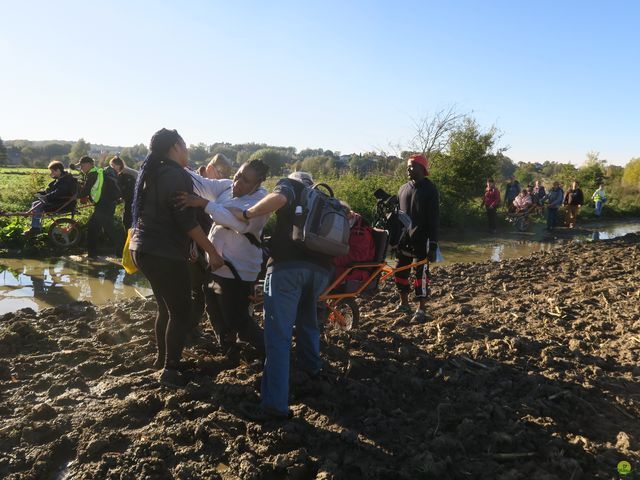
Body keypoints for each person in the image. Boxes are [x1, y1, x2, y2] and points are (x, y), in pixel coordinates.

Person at [227, 171, 332, 421]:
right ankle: (311, 369)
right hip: (320, 271)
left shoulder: (290, 186)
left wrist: (246, 213)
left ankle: (275, 404)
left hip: (287, 270)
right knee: (308, 321)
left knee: (278, 336)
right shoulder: (324, 198)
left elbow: (278, 199)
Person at [129, 128, 224, 388]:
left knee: (166, 308)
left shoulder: (153, 172)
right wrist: (212, 251)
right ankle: (171, 369)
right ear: (175, 147)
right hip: (163, 253)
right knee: (182, 311)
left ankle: (161, 361)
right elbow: (186, 222)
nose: (188, 151)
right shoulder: (175, 175)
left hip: (143, 250)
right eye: (185, 146)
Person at [178, 159, 271, 355]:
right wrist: (179, 166)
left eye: (245, 181)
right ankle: (228, 348)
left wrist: (206, 205)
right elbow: (202, 184)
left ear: (257, 184)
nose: (237, 183)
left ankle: (271, 351)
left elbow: (238, 224)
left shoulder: (261, 202)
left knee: (237, 319)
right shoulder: (227, 187)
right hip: (217, 265)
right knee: (213, 309)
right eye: (238, 175)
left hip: (239, 271)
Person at [390, 153, 439, 323]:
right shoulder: (403, 188)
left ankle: (422, 309)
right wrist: (394, 240)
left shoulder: (430, 190)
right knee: (399, 273)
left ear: (422, 169)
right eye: (407, 167)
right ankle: (404, 304)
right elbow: (397, 216)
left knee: (421, 276)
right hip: (404, 240)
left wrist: (433, 245)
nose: (408, 169)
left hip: (422, 240)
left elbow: (433, 219)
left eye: (412, 166)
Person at [75, 156, 122, 258]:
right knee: (101, 228)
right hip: (107, 204)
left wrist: (75, 196)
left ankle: (94, 254)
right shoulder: (97, 172)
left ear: (89, 164)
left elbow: (86, 190)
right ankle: (94, 254)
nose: (81, 168)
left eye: (82, 165)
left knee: (97, 228)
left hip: (103, 205)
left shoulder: (92, 173)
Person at [25, 161, 78, 235]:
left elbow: (58, 193)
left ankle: (35, 228)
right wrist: (40, 193)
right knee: (35, 203)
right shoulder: (62, 178)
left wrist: (46, 197)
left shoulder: (65, 180)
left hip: (62, 203)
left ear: (58, 170)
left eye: (52, 171)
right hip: (60, 201)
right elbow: (50, 190)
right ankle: (36, 226)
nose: (51, 173)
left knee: (38, 206)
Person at [332, 202, 376, 290]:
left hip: (354, 271)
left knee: (317, 277)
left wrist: (332, 259)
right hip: (344, 267)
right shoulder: (349, 225)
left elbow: (357, 256)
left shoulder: (361, 232)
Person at [109, 156, 138, 230]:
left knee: (128, 219)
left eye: (113, 166)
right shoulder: (124, 172)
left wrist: (120, 198)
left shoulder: (126, 174)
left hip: (135, 198)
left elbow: (128, 190)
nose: (111, 168)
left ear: (118, 165)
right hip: (133, 198)